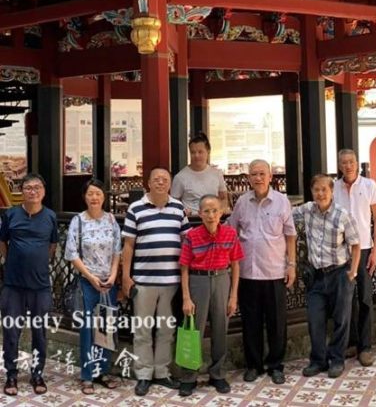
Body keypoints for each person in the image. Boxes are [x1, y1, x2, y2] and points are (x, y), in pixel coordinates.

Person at [122, 167, 189, 397]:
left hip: (171, 282)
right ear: (148, 183)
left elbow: (185, 240)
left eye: (165, 179)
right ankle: (143, 374)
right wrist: (125, 276)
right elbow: (128, 245)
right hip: (144, 281)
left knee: (166, 330)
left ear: (170, 184)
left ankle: (161, 371)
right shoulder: (136, 208)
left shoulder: (178, 208)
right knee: (142, 330)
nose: (160, 182)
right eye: (156, 179)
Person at [228, 159, 296, 385]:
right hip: (248, 272)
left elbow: (290, 235)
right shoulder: (242, 203)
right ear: (248, 178)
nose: (258, 178)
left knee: (277, 323)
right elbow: (231, 230)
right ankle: (253, 365)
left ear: (270, 177)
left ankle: (275, 365)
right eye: (253, 174)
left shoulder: (281, 201)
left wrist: (292, 264)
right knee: (251, 322)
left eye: (262, 174)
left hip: (275, 271)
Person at [293, 174, 360, 378]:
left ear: (332, 191)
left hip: (340, 273)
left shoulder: (342, 214)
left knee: (341, 319)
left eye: (324, 189)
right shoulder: (306, 210)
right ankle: (318, 360)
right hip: (316, 275)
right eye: (316, 190)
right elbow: (284, 216)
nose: (320, 193)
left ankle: (337, 360)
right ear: (312, 192)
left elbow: (355, 245)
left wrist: (353, 272)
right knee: (315, 319)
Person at [179, 194, 243, 397]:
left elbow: (235, 265)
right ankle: (189, 376)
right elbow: (184, 268)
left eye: (215, 210)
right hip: (198, 282)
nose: (211, 215)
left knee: (220, 328)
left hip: (222, 279)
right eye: (206, 211)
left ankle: (217, 374)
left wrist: (233, 296)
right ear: (200, 213)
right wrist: (186, 298)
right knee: (194, 329)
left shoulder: (230, 234)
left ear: (222, 212)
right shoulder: (192, 236)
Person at [0, 173, 58, 396]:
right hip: (13, 285)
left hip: (41, 286)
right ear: (22, 191)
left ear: (43, 191)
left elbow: (52, 245)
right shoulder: (11, 215)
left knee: (40, 332)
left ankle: (37, 374)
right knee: (11, 332)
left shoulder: (50, 216)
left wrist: (39, 262)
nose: (33, 191)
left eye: (37, 187)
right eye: (28, 188)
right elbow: (3, 242)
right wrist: (12, 261)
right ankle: (11, 374)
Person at [64, 178, 121, 395]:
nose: (94, 197)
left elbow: (117, 250)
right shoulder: (78, 221)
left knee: (106, 327)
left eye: (98, 193)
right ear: (84, 197)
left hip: (109, 283)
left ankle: (103, 371)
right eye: (90, 194)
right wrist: (91, 277)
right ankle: (87, 375)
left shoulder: (111, 220)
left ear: (104, 196)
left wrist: (113, 275)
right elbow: (72, 254)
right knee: (87, 329)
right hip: (88, 284)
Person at [333, 149, 376, 367]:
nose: (348, 165)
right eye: (344, 162)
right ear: (340, 165)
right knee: (344, 299)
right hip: (341, 250)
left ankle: (365, 347)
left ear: (357, 163)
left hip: (363, 249)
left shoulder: (369, 185)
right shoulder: (333, 187)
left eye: (351, 161)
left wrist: (374, 251)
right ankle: (351, 343)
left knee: (364, 298)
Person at [171, 132, 228, 216]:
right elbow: (174, 202)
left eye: (200, 152)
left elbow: (223, 198)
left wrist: (222, 210)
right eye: (193, 152)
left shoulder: (217, 174)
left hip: (213, 218)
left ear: (208, 152)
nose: (196, 156)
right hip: (192, 220)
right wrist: (182, 212)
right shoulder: (180, 177)